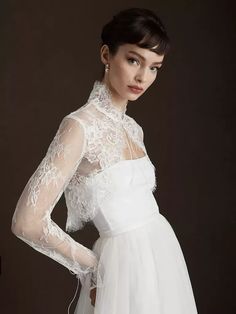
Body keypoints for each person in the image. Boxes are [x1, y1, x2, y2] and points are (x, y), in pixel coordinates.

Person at [11, 7, 198, 314]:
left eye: (154, 68)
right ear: (106, 55)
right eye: (134, 59)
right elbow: (26, 222)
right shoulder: (79, 126)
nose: (142, 77)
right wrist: (91, 267)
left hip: (161, 259)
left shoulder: (132, 128)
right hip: (121, 268)